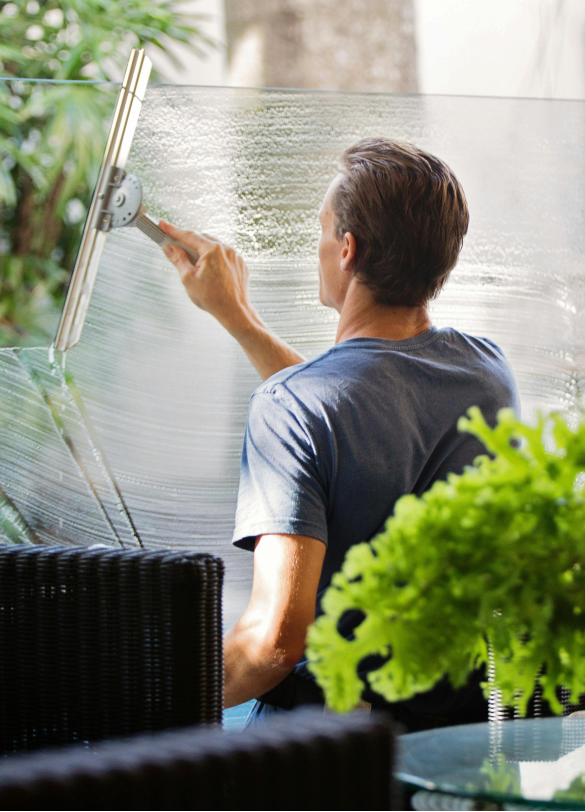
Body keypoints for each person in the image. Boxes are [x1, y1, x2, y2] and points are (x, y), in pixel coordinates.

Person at [160, 138, 519, 731]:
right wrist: (239, 319)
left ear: (347, 250)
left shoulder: (293, 407)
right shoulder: (488, 374)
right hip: (454, 735)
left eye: (322, 231)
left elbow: (273, 644)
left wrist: (145, 697)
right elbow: (360, 407)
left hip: (328, 749)